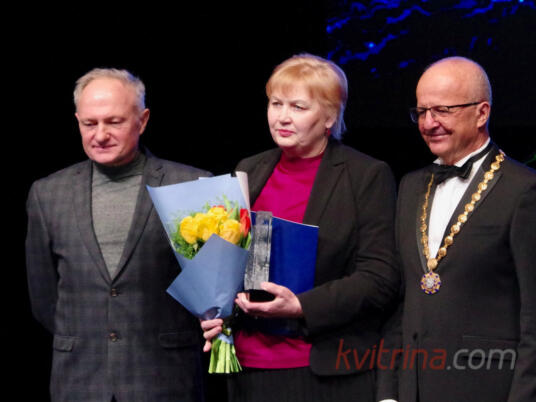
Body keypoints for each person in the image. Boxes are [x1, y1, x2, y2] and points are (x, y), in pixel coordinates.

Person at [202, 54, 400, 402]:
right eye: (276, 103)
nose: (282, 117)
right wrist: (216, 310)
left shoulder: (365, 175)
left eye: (298, 106)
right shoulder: (250, 168)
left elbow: (380, 277)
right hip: (247, 367)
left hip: (322, 370)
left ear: (330, 117)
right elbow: (230, 261)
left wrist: (302, 306)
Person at [25, 68, 209, 402]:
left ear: (142, 120)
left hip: (164, 379)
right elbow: (44, 296)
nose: (100, 135)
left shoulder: (192, 186)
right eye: (89, 123)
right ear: (77, 121)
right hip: (79, 381)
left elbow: (213, 289)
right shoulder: (47, 194)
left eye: (114, 122)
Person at [378, 57, 536, 402]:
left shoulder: (523, 189)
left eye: (443, 110)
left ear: (481, 113)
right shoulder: (410, 186)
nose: (428, 123)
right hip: (412, 387)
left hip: (488, 387)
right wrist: (388, 392)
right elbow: (401, 300)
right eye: (421, 111)